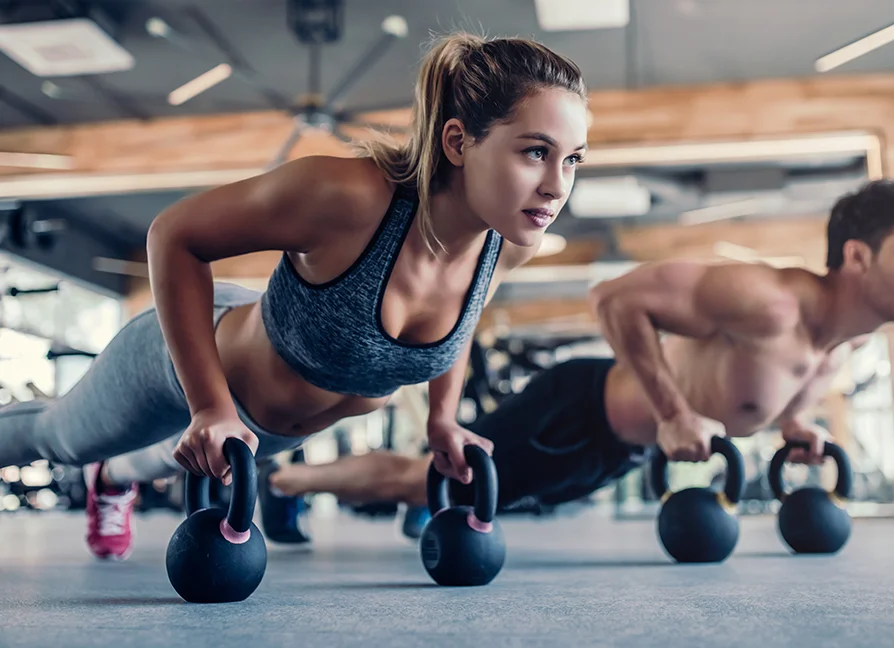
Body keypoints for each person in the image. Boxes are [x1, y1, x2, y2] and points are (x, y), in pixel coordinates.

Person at [0, 32, 590, 560]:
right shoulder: (348, 197)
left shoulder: (509, 244)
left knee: (155, 459)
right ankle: (105, 463)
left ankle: (116, 478)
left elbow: (456, 327)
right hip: (186, 364)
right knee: (60, 440)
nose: (557, 185)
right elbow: (175, 235)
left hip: (264, 430)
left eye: (572, 159)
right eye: (535, 151)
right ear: (458, 142)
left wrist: (442, 420)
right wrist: (209, 406)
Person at [253, 177, 894, 542]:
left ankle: (293, 482)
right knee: (422, 483)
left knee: (448, 491)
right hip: (577, 412)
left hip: (609, 451)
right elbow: (613, 296)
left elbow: (782, 381)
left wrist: (797, 423)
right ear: (858, 257)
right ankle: (284, 482)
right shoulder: (767, 299)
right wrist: (675, 411)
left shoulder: (846, 340)